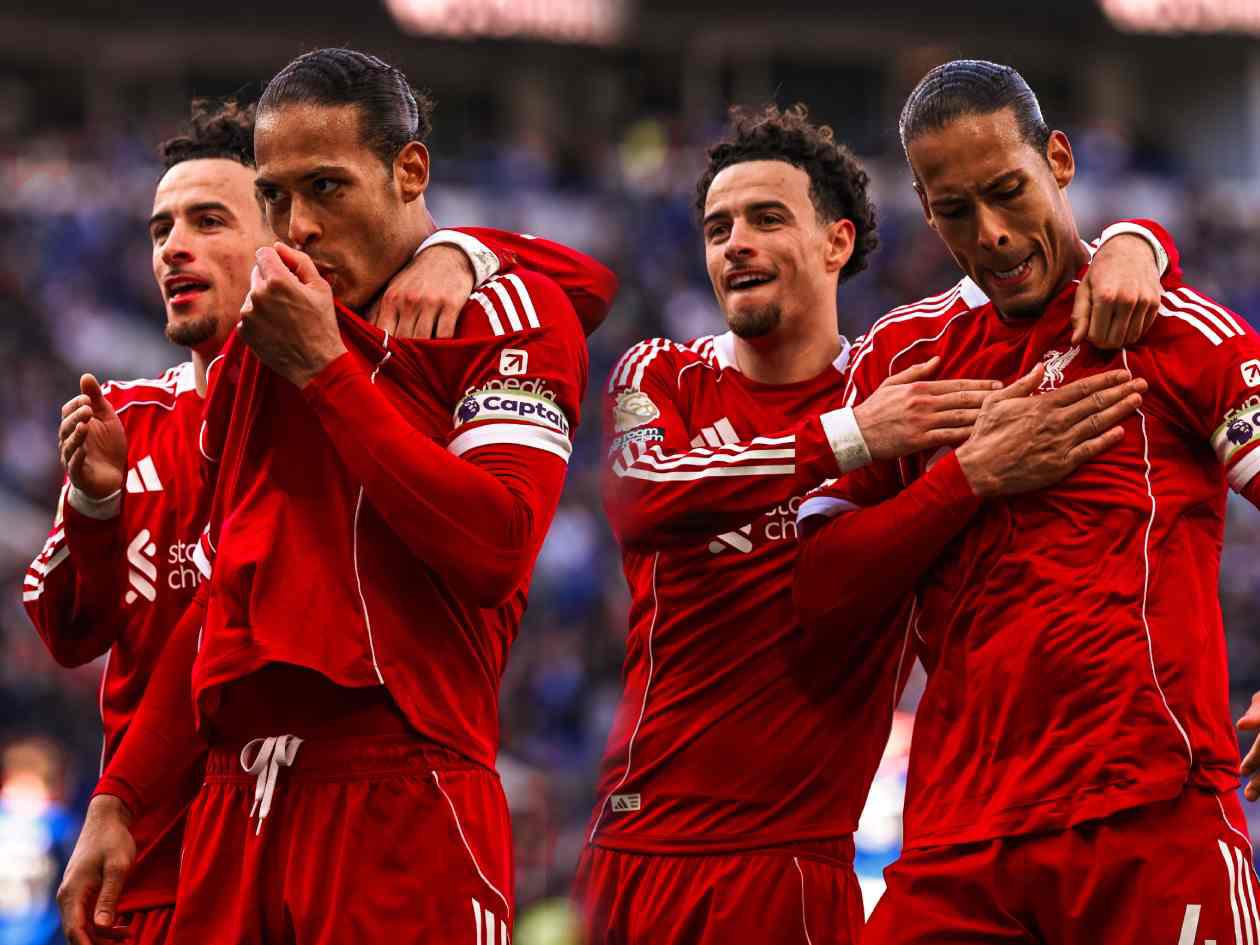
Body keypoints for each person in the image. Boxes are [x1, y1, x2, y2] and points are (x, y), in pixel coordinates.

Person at [576, 101, 1176, 944]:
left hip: (788, 860)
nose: (735, 243)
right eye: (717, 228)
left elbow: (1046, 268)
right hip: (630, 847)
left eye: (766, 219)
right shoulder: (665, 371)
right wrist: (849, 437)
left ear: (837, 242)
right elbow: (641, 498)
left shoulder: (905, 380)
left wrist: (1139, 240)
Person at [52, 50, 614, 945]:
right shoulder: (262, 347)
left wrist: (330, 369)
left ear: (410, 171)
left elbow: (496, 546)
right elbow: (226, 595)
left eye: (326, 188)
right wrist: (119, 797)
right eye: (274, 198)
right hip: (237, 800)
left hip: (403, 783)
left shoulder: (504, 313)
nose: (300, 227)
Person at [795, 59, 1260, 944]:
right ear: (925, 209)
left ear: (1059, 160)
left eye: (1009, 191)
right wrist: (967, 478)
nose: (994, 234)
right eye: (956, 211)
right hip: (960, 841)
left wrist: (1140, 240)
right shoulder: (903, 356)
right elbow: (819, 593)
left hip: (1153, 820)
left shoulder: (1173, 329)